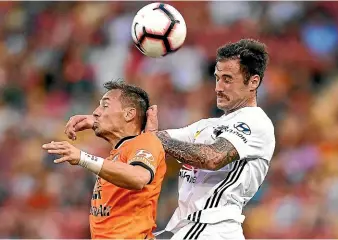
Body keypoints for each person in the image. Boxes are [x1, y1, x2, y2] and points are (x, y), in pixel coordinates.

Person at [65, 38, 275, 240]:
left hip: (212, 229)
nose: (218, 87)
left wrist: (152, 139)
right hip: (187, 228)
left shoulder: (255, 122)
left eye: (228, 79)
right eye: (217, 78)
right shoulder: (207, 125)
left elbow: (212, 158)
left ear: (253, 82)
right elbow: (148, 137)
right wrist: (99, 121)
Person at [43, 81, 166, 239]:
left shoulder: (145, 142)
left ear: (129, 114)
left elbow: (139, 177)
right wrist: (96, 122)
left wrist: (82, 157)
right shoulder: (117, 154)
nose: (95, 112)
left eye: (105, 106)